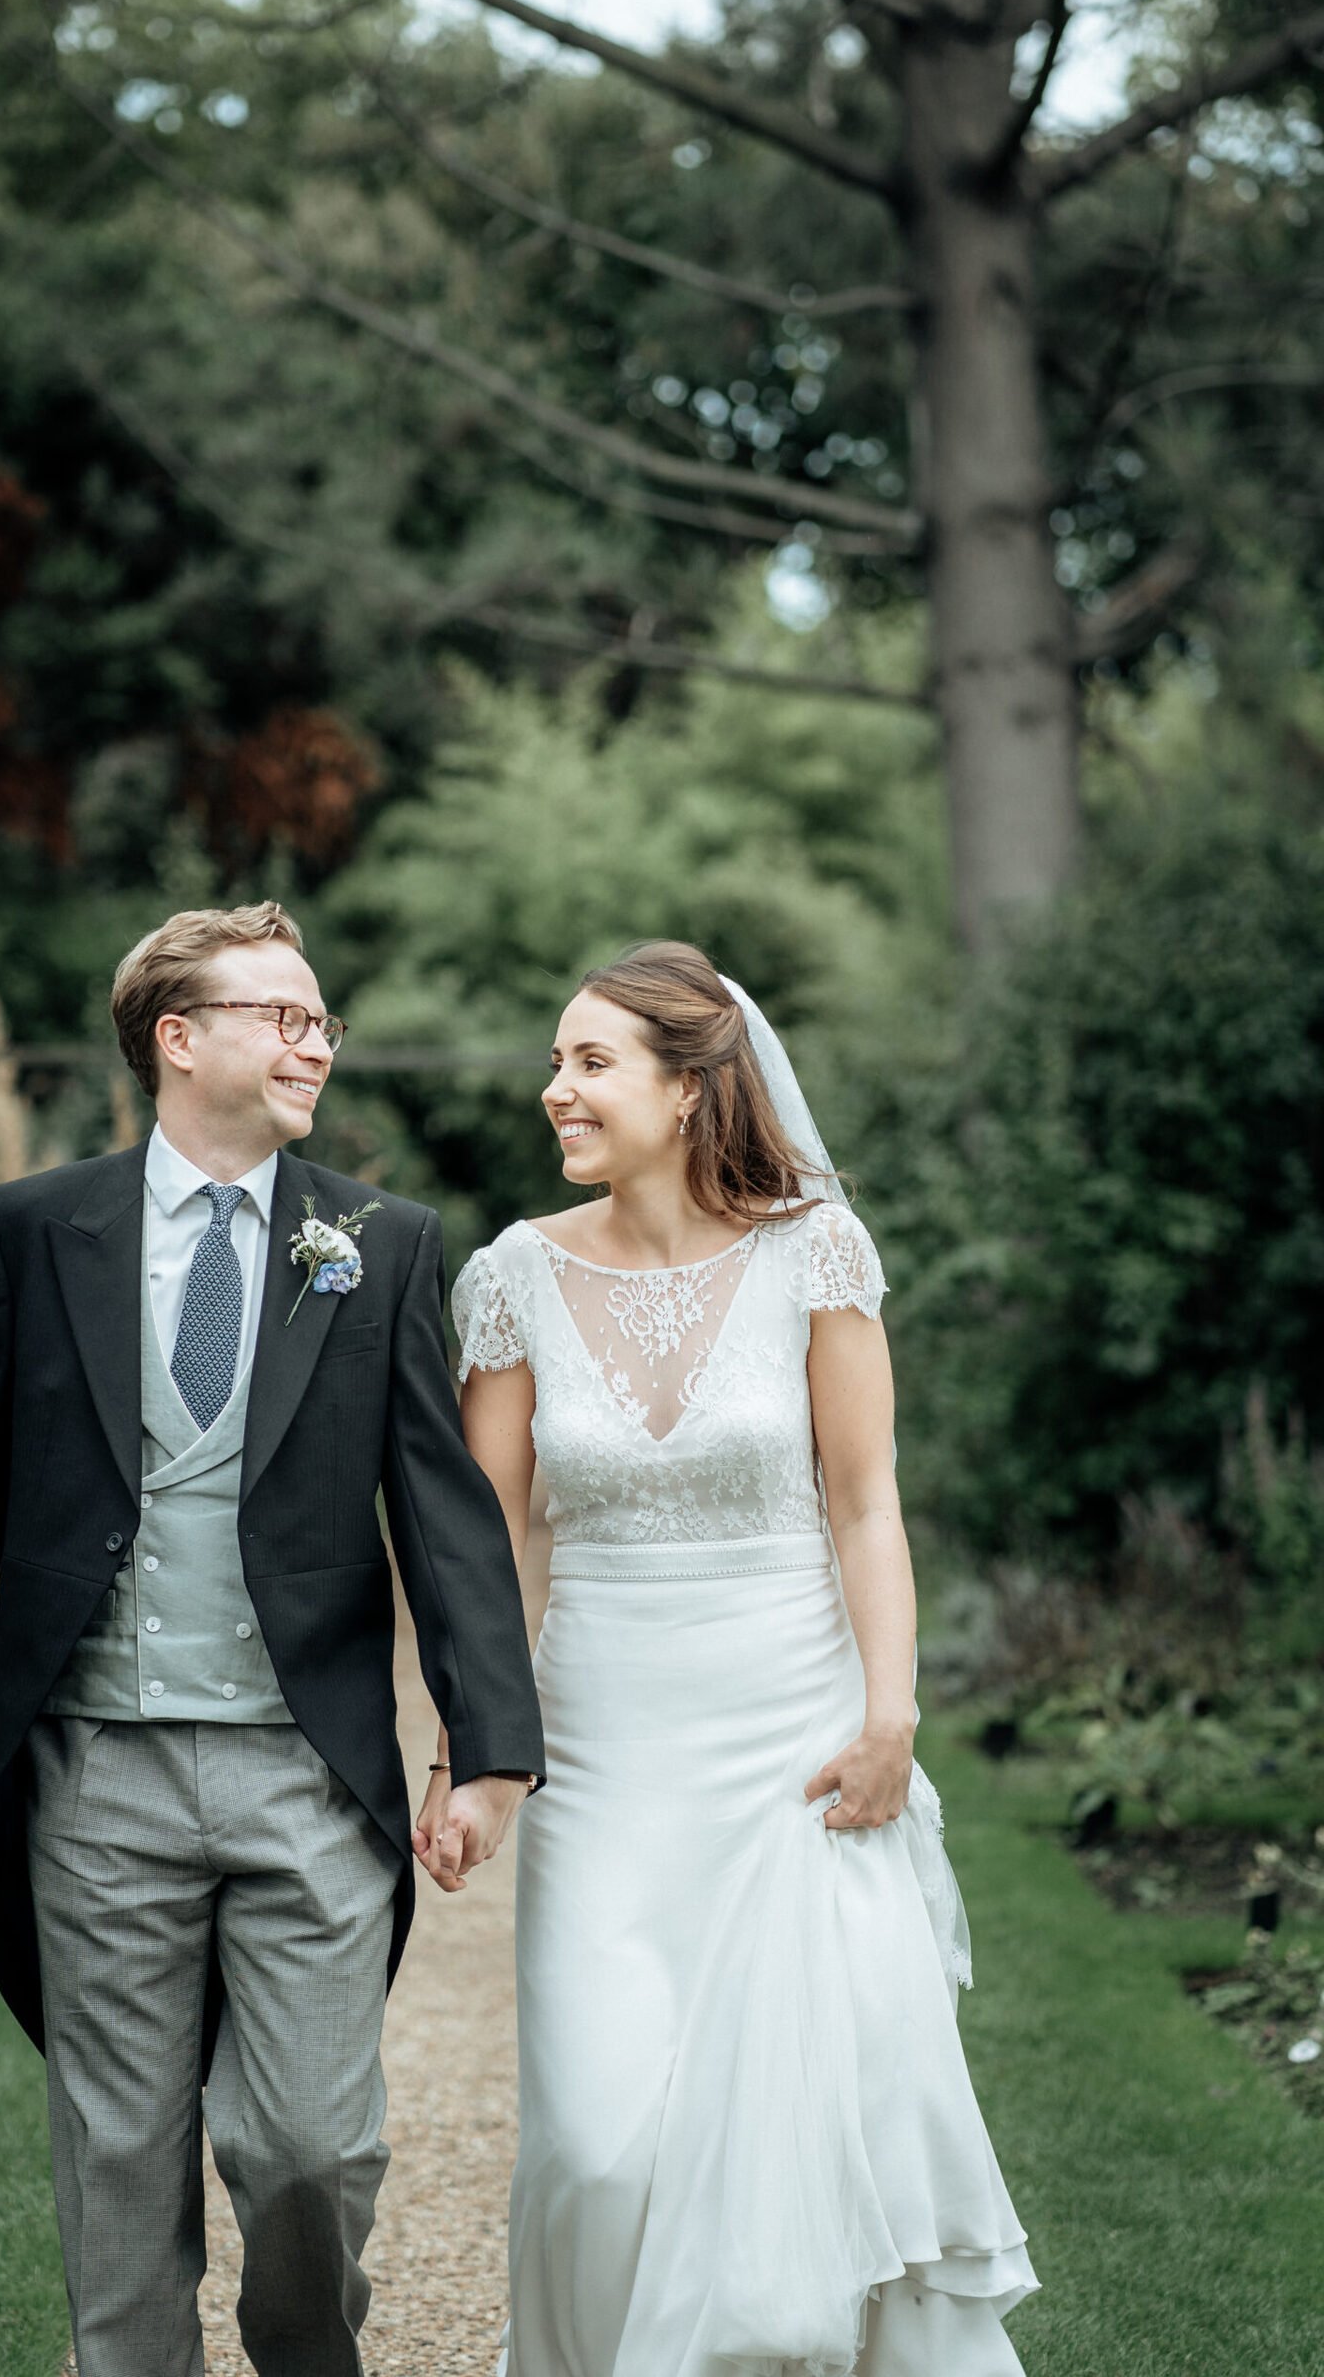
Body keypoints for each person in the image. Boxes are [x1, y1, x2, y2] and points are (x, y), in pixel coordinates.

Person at [0, 901, 544, 2377]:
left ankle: (305, 2359)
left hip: (307, 1770)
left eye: (323, 1022)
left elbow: (445, 1511)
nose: (316, 1043)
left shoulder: (381, 1243)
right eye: (284, 1017)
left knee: (309, 2147)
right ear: (180, 1037)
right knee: (117, 2168)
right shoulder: (36, 1231)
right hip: (98, 1774)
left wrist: (487, 1752)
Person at [422, 940, 1036, 2377]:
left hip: (791, 1747)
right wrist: (471, 1755)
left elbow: (864, 1502)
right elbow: (486, 1546)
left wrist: (893, 1718)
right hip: (602, 1754)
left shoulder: (813, 1252)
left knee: (805, 2143)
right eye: (555, 1061)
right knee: (596, 2146)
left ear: (692, 1091)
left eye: (589, 1063)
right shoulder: (513, 1275)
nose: (553, 1091)